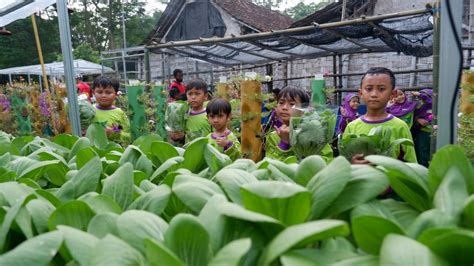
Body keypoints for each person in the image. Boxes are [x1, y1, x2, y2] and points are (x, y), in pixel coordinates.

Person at [343, 67, 417, 164]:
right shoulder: (352, 127)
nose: (374, 94)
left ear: (392, 94)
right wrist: (352, 163)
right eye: (368, 89)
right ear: (361, 93)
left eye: (381, 89)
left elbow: (411, 164)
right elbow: (344, 161)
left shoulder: (400, 126)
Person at [265, 86, 333, 162]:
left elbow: (327, 161)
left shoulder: (316, 134)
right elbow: (269, 166)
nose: (284, 107)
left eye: (291, 104)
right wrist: (284, 143)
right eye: (281, 103)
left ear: (304, 109)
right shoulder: (273, 136)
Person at [92, 75, 130, 145]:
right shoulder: (90, 111)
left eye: (108, 93)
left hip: (115, 151)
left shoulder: (119, 113)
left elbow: (128, 135)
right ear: (93, 92)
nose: (103, 95)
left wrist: (114, 132)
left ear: (116, 94)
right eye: (99, 92)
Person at [184, 79, 212, 143]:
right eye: (190, 94)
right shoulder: (185, 115)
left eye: (197, 94)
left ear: (205, 96)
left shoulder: (210, 115)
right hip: (189, 151)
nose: (193, 97)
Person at [412, 88, 433, 166]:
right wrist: (417, 119)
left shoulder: (434, 105)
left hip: (434, 132)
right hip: (422, 132)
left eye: (426, 96)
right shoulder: (420, 106)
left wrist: (420, 94)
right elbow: (412, 115)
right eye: (421, 98)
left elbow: (431, 102)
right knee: (421, 152)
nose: (422, 99)